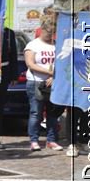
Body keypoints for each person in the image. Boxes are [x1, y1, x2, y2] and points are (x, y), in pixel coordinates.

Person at [24, 18, 64, 152]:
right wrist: (49, 72)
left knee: (53, 113)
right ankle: (34, 140)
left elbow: (62, 63)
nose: (50, 35)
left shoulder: (57, 45)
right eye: (49, 32)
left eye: (53, 32)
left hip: (54, 83)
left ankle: (51, 140)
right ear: (43, 30)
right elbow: (30, 64)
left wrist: (54, 76)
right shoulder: (33, 45)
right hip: (36, 82)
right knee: (36, 113)